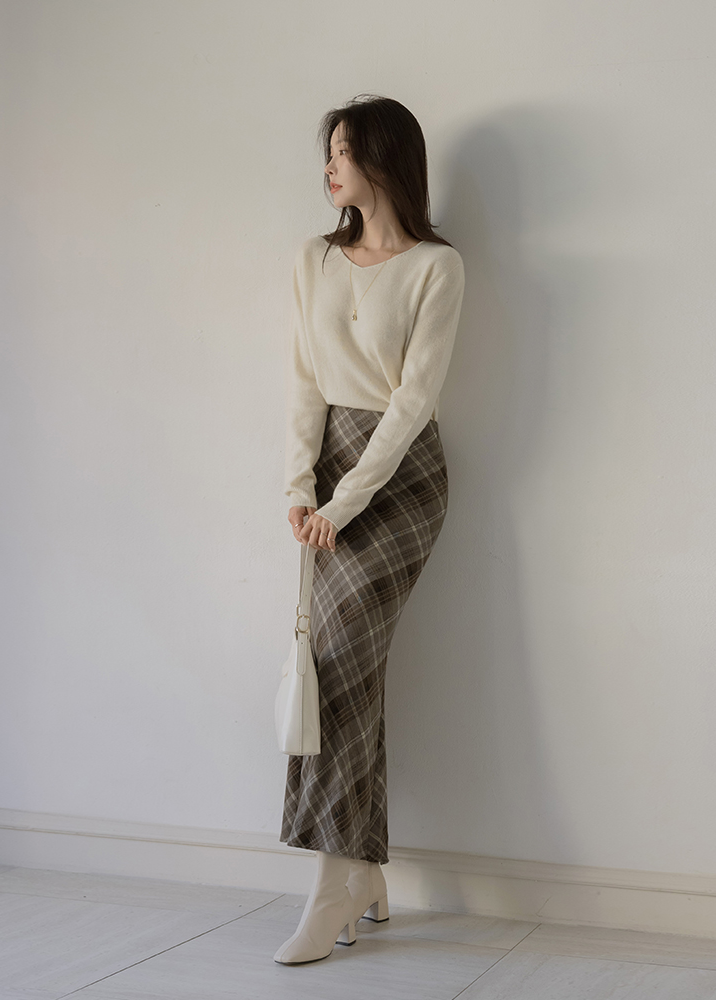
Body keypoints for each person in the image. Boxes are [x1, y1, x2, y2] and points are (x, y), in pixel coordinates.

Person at [274, 94, 465, 965]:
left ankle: (334, 883)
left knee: (339, 658)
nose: (330, 167)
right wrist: (298, 486)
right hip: (328, 473)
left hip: (401, 478)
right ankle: (362, 872)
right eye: (330, 152)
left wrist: (344, 502)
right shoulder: (314, 258)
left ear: (385, 159)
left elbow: (413, 403)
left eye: (344, 151)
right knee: (345, 668)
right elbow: (304, 380)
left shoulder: (436, 268)